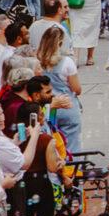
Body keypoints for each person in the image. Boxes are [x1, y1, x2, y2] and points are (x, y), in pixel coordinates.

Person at [37, 26, 84, 154]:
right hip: (67, 106)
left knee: (52, 144)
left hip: (48, 107)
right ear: (60, 44)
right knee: (72, 145)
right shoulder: (67, 62)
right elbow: (77, 89)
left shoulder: (38, 62)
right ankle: (72, 169)